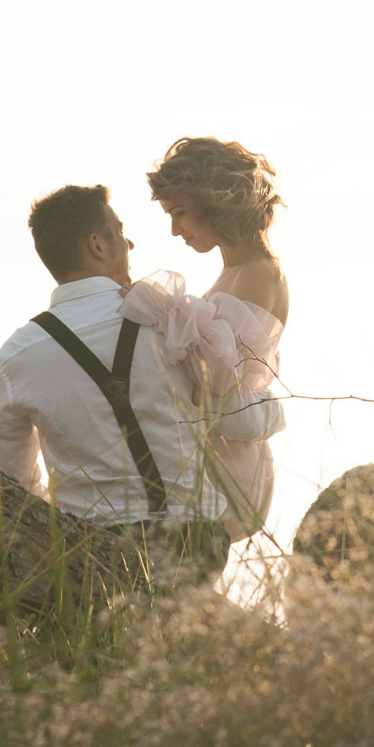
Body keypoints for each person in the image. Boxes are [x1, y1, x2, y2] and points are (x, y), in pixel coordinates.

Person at [0, 183, 283, 588]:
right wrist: (274, 408)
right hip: (192, 538)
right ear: (98, 246)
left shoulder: (14, 359)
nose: (130, 243)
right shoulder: (169, 320)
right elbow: (236, 419)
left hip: (87, 549)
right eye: (121, 232)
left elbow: (9, 485)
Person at [124, 137, 288, 542]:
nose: (175, 230)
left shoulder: (259, 272)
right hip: (215, 449)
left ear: (213, 202)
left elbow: (216, 379)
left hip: (227, 462)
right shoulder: (234, 271)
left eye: (179, 213)